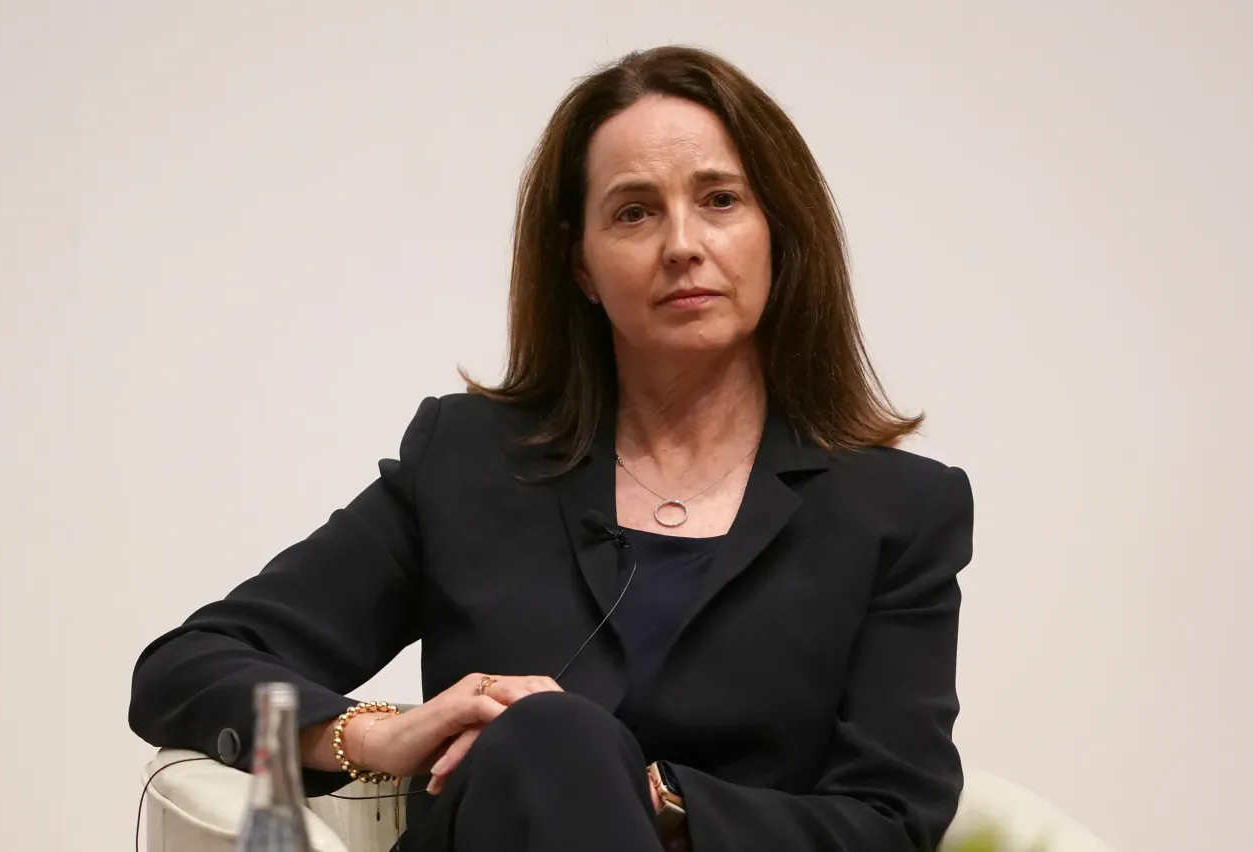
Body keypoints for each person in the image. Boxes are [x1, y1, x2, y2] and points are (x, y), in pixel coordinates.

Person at [129, 44, 973, 852]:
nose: (683, 243)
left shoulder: (898, 511)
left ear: (777, 234)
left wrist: (659, 801)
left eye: (720, 200)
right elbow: (188, 667)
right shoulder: (468, 461)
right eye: (634, 211)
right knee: (548, 731)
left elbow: (892, 821)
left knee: (559, 730)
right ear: (581, 264)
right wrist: (374, 736)